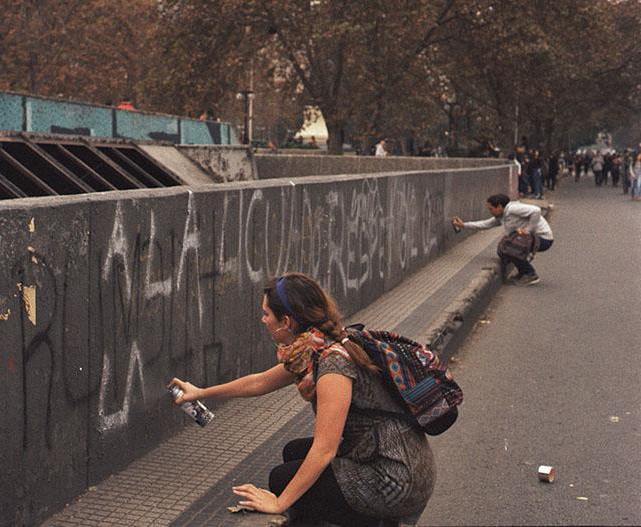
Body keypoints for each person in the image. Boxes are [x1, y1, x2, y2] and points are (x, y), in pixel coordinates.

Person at [168, 273, 436, 526]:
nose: (263, 320)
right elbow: (259, 382)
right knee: (294, 452)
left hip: (396, 479)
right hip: (381, 456)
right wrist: (200, 392)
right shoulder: (316, 347)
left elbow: (325, 449)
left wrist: (279, 503)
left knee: (282, 480)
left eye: (266, 314)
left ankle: (380, 522)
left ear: (286, 322)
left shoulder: (333, 364)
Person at [453, 193, 554, 285]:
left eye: (491, 209)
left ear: (499, 207)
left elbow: (536, 211)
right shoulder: (502, 215)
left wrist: (528, 229)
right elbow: (486, 224)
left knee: (511, 248)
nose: (491, 212)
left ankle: (530, 274)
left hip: (543, 239)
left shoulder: (512, 208)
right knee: (503, 249)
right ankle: (523, 272)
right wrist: (464, 225)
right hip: (530, 239)